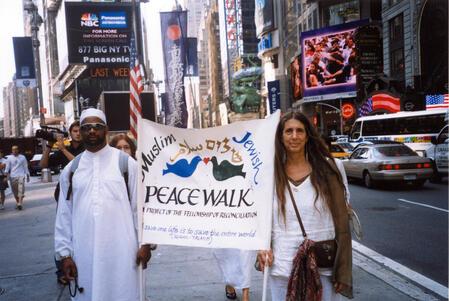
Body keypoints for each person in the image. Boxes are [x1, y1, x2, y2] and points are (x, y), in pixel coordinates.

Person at [54, 108, 152, 301]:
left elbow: (139, 207)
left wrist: (146, 243)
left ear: (105, 130)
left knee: (125, 294)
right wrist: (64, 255)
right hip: (84, 253)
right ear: (80, 132)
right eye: (86, 127)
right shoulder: (71, 170)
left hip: (124, 251)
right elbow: (64, 214)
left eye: (97, 126)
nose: (92, 131)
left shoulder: (126, 163)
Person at [257, 111, 353, 300]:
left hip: (323, 263)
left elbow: (342, 222)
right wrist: (261, 246)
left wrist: (343, 269)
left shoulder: (331, 168)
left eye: (299, 131)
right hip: (282, 264)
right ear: (280, 137)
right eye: (289, 131)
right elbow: (260, 216)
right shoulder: (269, 173)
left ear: (308, 135)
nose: (294, 136)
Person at [40, 121, 84, 286]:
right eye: (75, 130)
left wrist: (63, 149)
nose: (78, 133)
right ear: (70, 133)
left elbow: (79, 165)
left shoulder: (88, 148)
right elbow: (43, 164)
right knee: (63, 231)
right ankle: (61, 270)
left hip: (83, 196)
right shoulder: (64, 147)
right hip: (64, 196)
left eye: (80, 130)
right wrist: (50, 146)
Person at [5, 146, 30, 210]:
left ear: (18, 150)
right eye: (13, 150)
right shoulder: (9, 158)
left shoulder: (22, 157)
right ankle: (18, 202)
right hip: (12, 176)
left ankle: (20, 203)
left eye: (16, 149)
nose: (15, 151)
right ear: (11, 150)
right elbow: (7, 168)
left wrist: (27, 175)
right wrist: (6, 176)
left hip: (21, 175)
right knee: (15, 192)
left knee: (20, 190)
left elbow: (25, 166)